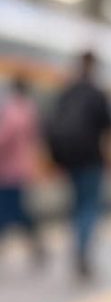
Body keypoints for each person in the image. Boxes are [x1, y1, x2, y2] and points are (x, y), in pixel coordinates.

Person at [47, 51, 111, 278]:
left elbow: (51, 123)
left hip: (70, 160)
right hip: (92, 160)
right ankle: (82, 251)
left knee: (76, 206)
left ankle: (76, 247)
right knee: (89, 207)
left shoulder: (67, 91)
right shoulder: (97, 94)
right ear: (94, 67)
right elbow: (109, 129)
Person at [0, 77, 46, 265]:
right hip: (22, 168)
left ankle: (35, 242)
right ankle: (36, 242)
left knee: (9, 210)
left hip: (8, 171)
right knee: (15, 209)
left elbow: (4, 139)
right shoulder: (30, 110)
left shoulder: (13, 111)